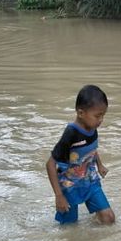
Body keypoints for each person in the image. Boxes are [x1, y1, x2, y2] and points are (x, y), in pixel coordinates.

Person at [46, 85, 115, 224]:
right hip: (70, 185)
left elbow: (91, 149)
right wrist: (59, 196)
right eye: (98, 115)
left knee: (108, 218)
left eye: (103, 115)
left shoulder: (93, 127)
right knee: (69, 228)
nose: (101, 120)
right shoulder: (71, 133)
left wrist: (100, 165)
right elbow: (50, 164)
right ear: (81, 113)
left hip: (90, 180)